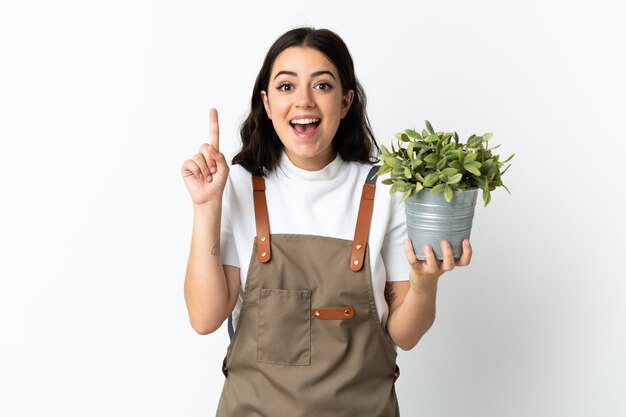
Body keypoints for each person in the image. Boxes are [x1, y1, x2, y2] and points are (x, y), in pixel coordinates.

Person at [181, 27, 472, 417]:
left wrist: (425, 283)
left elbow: (406, 335)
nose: (304, 100)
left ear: (346, 101)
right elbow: (204, 318)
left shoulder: (387, 187)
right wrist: (206, 206)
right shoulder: (237, 184)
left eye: (322, 85)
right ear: (266, 104)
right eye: (286, 87)